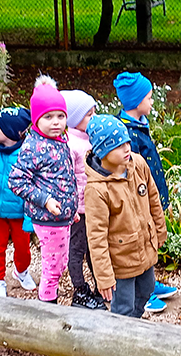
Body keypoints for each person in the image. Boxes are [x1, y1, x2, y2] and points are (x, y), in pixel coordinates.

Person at [7, 78, 84, 304]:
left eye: (60, 116)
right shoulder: (34, 146)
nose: (56, 122)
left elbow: (65, 177)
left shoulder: (60, 140)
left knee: (60, 263)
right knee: (52, 268)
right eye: (48, 117)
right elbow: (17, 181)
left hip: (62, 216)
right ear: (36, 119)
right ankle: (47, 308)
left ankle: (49, 300)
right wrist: (46, 200)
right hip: (48, 218)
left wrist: (71, 210)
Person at [84, 114, 167, 318]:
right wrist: (103, 277)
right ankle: (120, 337)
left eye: (127, 141)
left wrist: (159, 230)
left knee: (147, 289)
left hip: (144, 249)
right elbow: (96, 236)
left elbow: (153, 198)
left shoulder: (137, 164)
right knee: (123, 306)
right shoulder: (97, 190)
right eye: (118, 145)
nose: (127, 148)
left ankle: (133, 323)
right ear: (103, 151)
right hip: (120, 261)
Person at [114, 70, 174, 309]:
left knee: (149, 238)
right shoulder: (128, 133)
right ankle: (143, 291)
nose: (152, 102)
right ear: (137, 102)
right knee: (140, 239)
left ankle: (149, 281)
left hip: (149, 194)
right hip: (138, 198)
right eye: (149, 98)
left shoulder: (139, 125)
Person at [0, 105, 37, 297]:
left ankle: (21, 270)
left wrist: (31, 216)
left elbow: (33, 182)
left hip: (19, 212)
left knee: (23, 249)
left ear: (10, 132)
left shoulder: (28, 152)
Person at [62, 89, 106, 309]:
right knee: (77, 249)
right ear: (75, 119)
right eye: (88, 114)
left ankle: (101, 286)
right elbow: (66, 179)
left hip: (94, 207)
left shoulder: (90, 139)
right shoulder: (71, 145)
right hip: (79, 209)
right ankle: (80, 290)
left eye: (94, 112)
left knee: (94, 248)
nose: (93, 118)